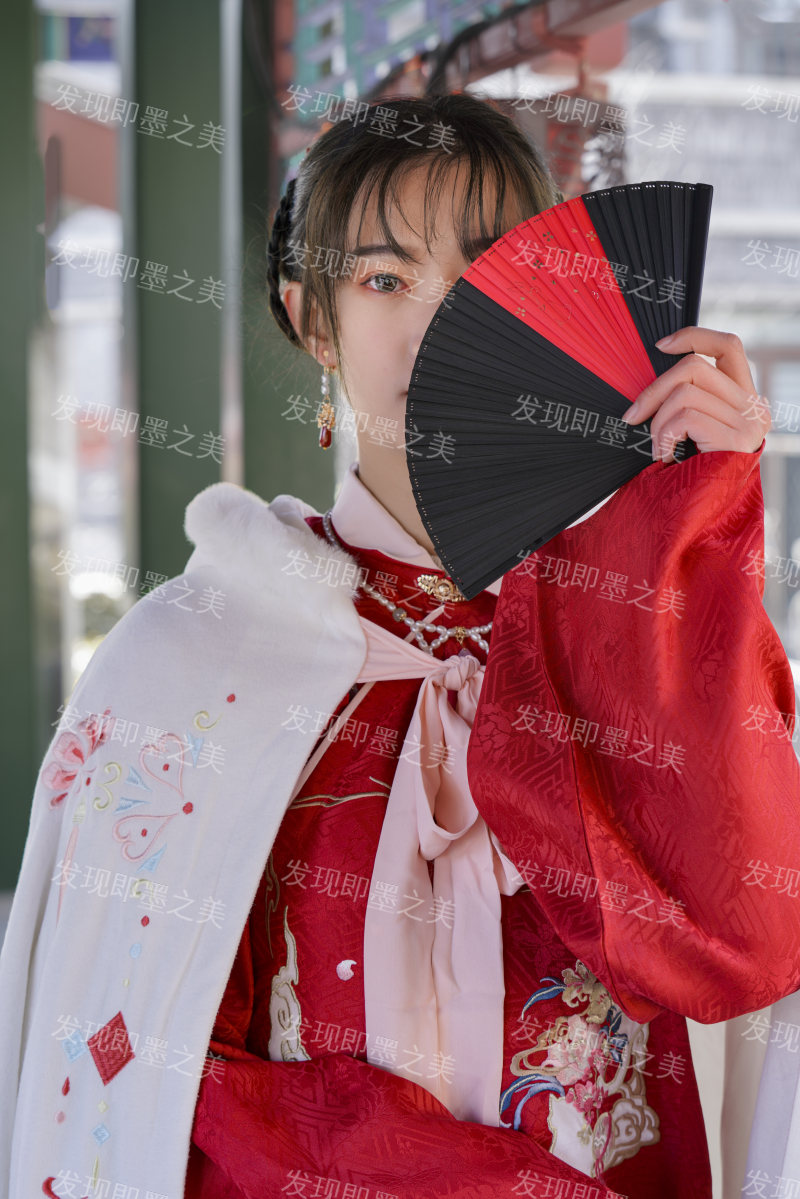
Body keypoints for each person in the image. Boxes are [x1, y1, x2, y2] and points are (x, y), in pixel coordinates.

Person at [1, 91, 799, 1199]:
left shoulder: (626, 633)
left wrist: (693, 532)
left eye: (485, 275)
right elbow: (142, 1070)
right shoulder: (190, 660)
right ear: (312, 319)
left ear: (558, 301)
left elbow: (746, 941)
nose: (441, 323)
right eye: (384, 280)